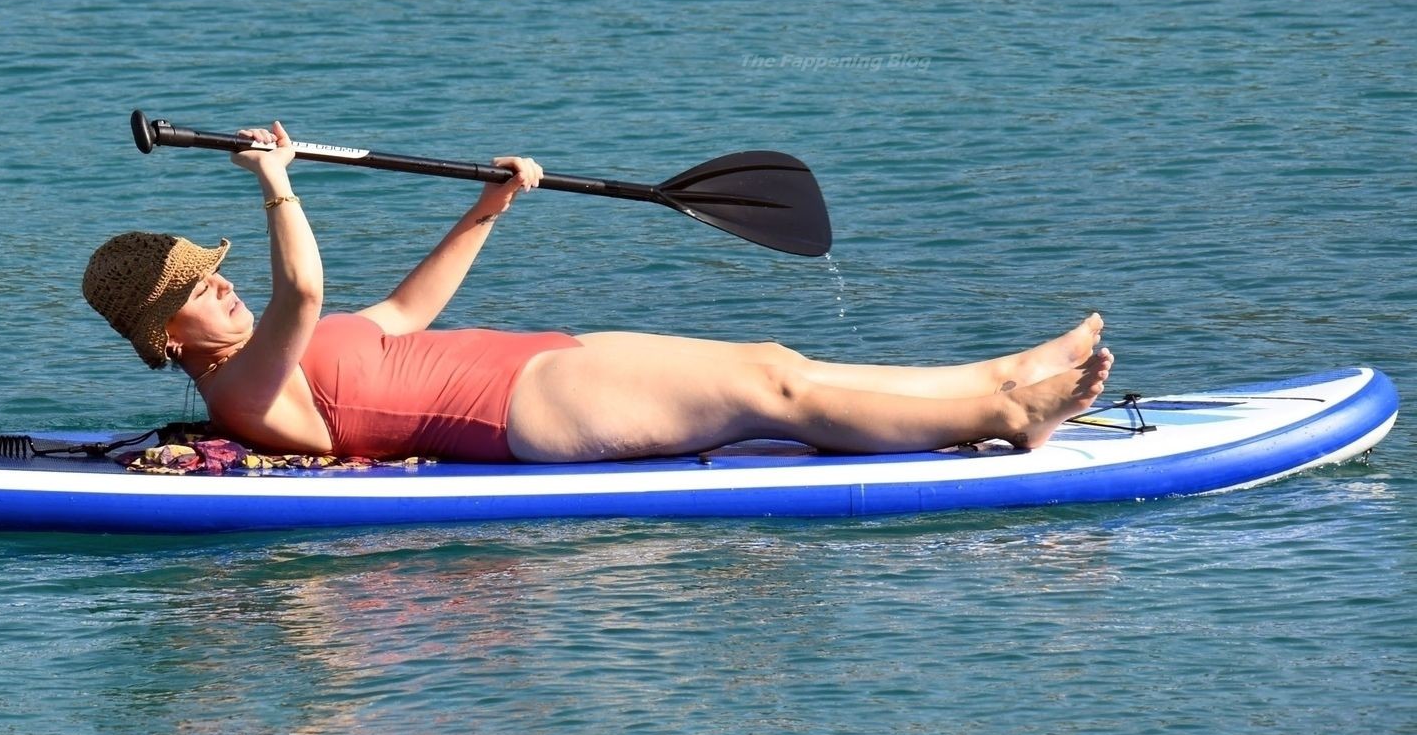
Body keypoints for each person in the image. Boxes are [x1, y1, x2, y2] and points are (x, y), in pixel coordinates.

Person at [83, 121, 1113, 463]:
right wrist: (275, 182)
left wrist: (488, 208)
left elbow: (400, 318)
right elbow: (305, 288)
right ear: (167, 337)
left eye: (213, 268)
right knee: (770, 395)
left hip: (532, 360)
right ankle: (1005, 419)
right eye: (198, 287)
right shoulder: (242, 387)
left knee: (776, 361)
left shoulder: (259, 356)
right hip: (524, 409)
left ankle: (997, 372)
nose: (223, 284)